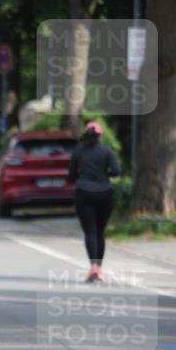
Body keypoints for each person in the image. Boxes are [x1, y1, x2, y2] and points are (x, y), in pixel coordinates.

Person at [68, 121, 121, 283]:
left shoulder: (78, 152)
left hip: (84, 193)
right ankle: (99, 267)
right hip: (105, 194)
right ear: (101, 135)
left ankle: (93, 267)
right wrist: (105, 174)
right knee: (100, 231)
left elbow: (70, 175)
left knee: (90, 231)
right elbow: (117, 172)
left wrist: (82, 177)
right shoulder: (107, 152)